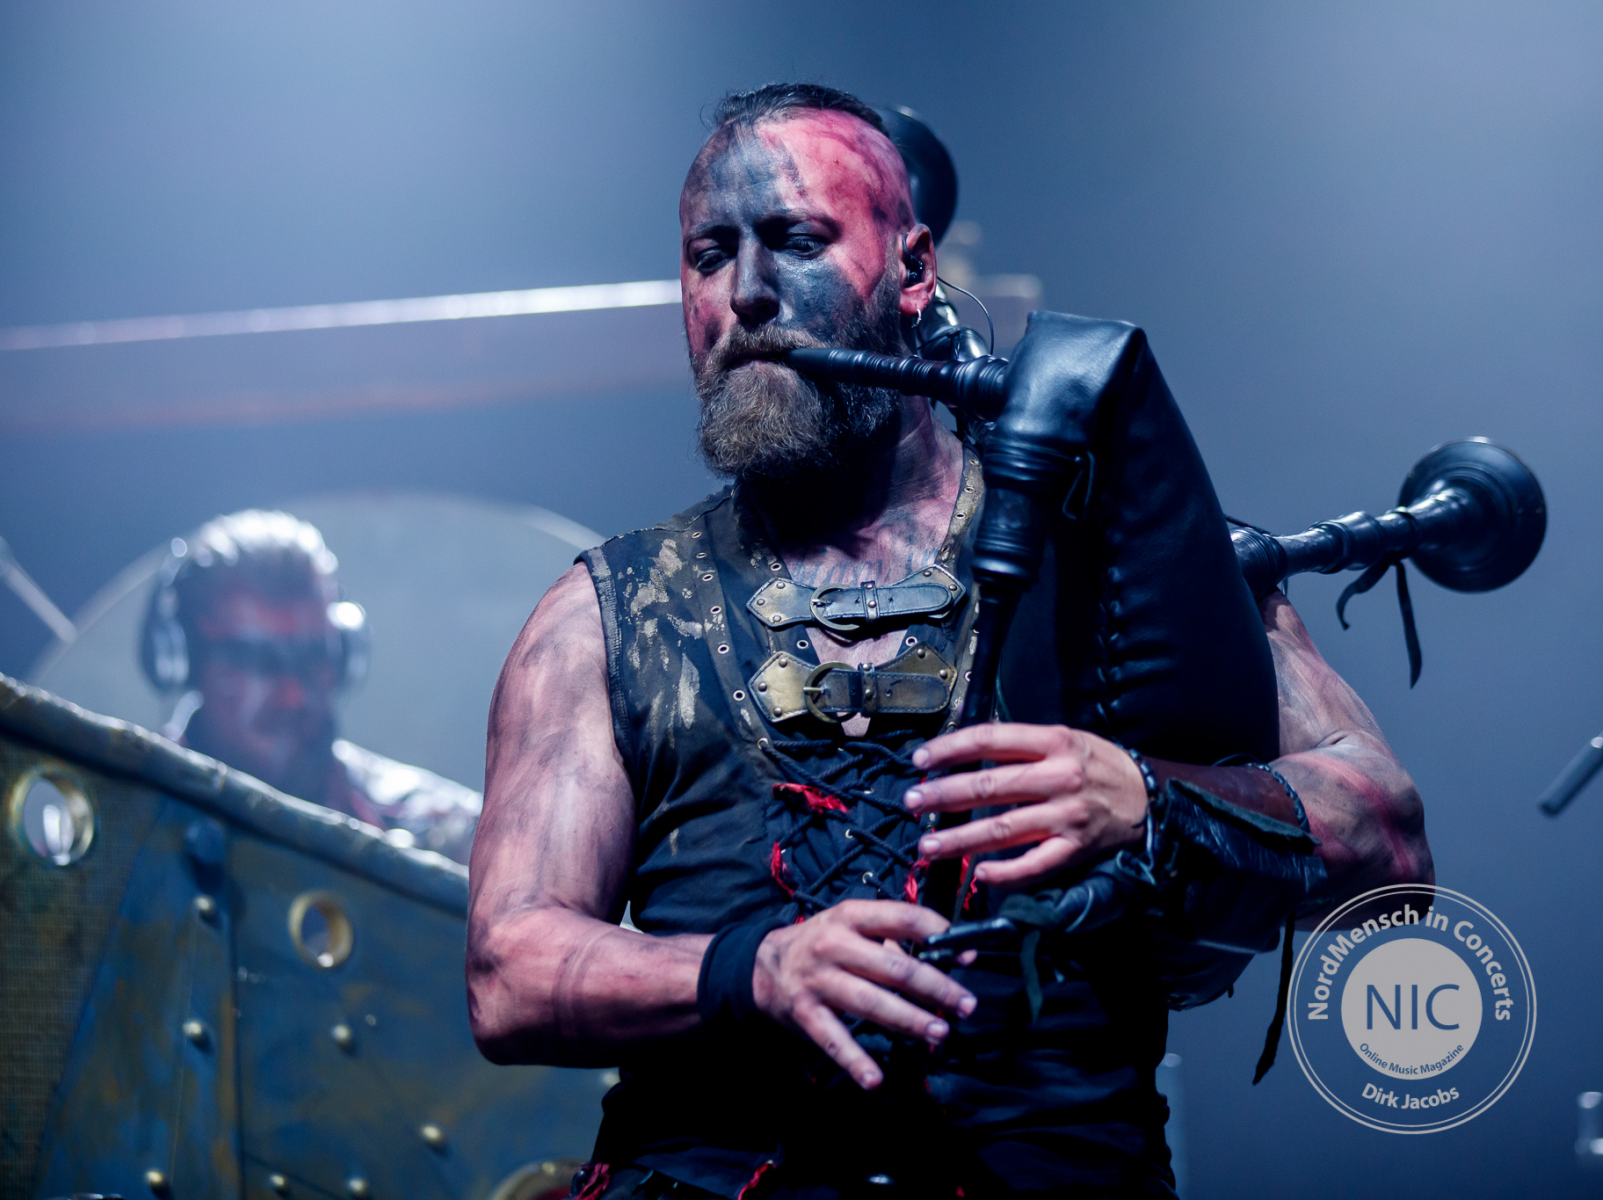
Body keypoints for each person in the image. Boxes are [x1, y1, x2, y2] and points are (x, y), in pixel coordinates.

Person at [467, 84, 1431, 1197]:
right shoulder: (605, 613)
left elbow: (1390, 841)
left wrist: (1148, 798)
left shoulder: (1122, 555)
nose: (748, 293)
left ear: (914, 269)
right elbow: (508, 970)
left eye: (796, 240)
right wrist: (753, 970)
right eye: (709, 255)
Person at [140, 509, 480, 864]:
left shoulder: (441, 836)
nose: (294, 696)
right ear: (187, 659)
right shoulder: (120, 813)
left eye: (315, 657)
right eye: (261, 661)